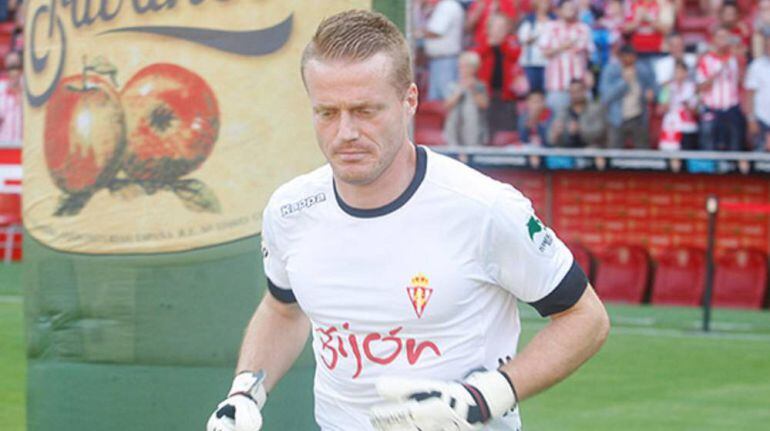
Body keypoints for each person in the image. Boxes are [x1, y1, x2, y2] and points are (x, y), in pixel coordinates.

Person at [206, 9, 610, 431]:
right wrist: (245, 392)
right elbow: (282, 311)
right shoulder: (290, 210)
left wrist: (485, 397)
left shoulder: (485, 208)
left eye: (365, 110)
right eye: (327, 112)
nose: (345, 132)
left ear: (410, 100)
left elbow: (586, 318)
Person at [539, 0, 595, 114]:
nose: (571, 10)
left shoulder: (584, 28)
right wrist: (563, 47)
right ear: (559, 11)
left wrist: (590, 72)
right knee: (558, 121)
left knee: (585, 121)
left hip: (580, 84)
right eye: (567, 8)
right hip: (557, 85)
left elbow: (589, 54)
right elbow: (544, 52)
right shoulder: (550, 27)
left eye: (573, 8)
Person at [475, 13, 522, 142]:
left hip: (507, 93)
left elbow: (515, 54)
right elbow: (476, 57)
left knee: (506, 126)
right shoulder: (482, 42)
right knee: (487, 125)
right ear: (489, 28)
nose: (500, 30)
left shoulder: (511, 41)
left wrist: (501, 43)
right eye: (497, 27)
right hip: (487, 92)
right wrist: (490, 44)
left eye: (503, 27)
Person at [696, 26, 745, 151]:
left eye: (726, 37)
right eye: (720, 37)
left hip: (732, 108)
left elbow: (743, 81)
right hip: (712, 108)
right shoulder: (705, 60)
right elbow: (701, 87)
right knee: (708, 145)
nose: (723, 40)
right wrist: (719, 69)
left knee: (735, 146)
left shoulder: (736, 59)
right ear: (713, 40)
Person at [599, 44, 657, 149]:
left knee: (643, 152)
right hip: (616, 118)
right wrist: (624, 82)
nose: (628, 61)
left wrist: (651, 94)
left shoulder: (642, 70)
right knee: (614, 153)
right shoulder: (610, 71)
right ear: (620, 58)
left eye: (632, 58)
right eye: (625, 58)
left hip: (638, 117)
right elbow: (605, 98)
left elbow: (654, 88)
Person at [443, 51, 489, 147]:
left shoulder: (479, 86)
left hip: (474, 129)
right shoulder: (453, 85)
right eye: (460, 66)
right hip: (455, 126)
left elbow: (484, 104)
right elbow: (446, 106)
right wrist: (459, 92)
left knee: (470, 110)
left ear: (474, 68)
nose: (461, 69)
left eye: (465, 66)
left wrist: (472, 89)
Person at [422, 0, 465, 100]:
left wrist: (417, 33)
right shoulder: (442, 5)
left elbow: (436, 32)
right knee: (436, 99)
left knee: (447, 98)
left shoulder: (448, 5)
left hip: (445, 61)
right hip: (439, 61)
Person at [551, 79, 608, 147]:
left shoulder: (596, 109)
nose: (575, 94)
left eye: (578, 91)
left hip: (591, 148)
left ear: (584, 91)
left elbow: (600, 132)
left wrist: (580, 129)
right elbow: (551, 139)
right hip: (567, 149)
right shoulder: (563, 111)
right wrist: (556, 134)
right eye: (572, 92)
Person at [657, 60, 699, 150]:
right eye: (677, 72)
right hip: (672, 126)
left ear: (686, 73)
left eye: (681, 72)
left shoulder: (692, 88)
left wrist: (688, 106)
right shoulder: (667, 88)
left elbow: (697, 111)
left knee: (687, 154)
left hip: (687, 127)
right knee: (672, 156)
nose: (679, 75)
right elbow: (661, 108)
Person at [517, 1, 554, 93]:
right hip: (531, 62)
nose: (544, 5)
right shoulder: (529, 19)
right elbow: (522, 39)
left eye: (546, 3)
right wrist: (537, 34)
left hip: (548, 62)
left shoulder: (554, 19)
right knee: (532, 90)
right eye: (542, 2)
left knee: (546, 90)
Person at [745, 32, 770, 151]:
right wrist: (751, 119)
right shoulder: (757, 66)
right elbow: (749, 95)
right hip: (762, 120)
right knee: (760, 160)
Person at [0, 51, 22, 147]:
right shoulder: (1, 92)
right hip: (5, 148)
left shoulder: (30, 93)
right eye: (10, 67)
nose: (13, 72)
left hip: (26, 149)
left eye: (16, 67)